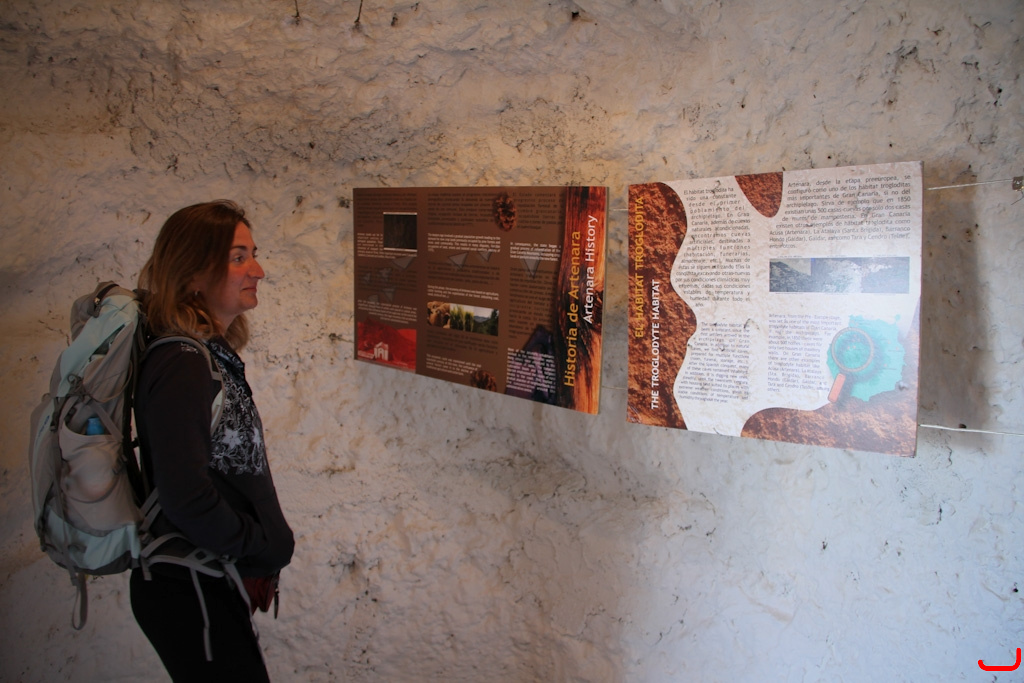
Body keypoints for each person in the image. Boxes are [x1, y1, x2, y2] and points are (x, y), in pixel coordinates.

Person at [130, 200, 295, 682]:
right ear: (193, 274)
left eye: (253, 255)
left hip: (209, 582)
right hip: (190, 588)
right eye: (238, 258)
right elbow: (186, 496)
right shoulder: (181, 363)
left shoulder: (206, 355)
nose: (257, 270)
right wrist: (257, 546)